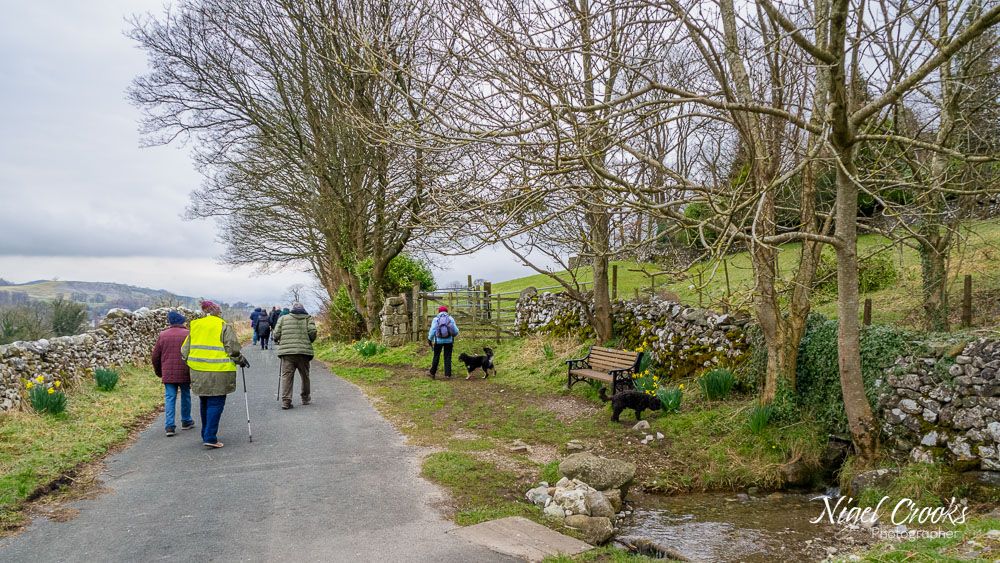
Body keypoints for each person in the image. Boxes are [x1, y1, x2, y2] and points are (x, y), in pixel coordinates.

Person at [182, 300, 249, 448]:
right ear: (218, 312)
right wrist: (241, 360)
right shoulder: (223, 326)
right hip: (219, 370)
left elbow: (184, 350)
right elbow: (232, 349)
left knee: (204, 401)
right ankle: (210, 437)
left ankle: (206, 434)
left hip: (198, 370)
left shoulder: (195, 325)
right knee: (216, 402)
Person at [151, 311, 194, 437]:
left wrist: (159, 371)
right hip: (185, 370)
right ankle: (186, 421)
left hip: (168, 372)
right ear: (181, 321)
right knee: (186, 395)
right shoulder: (188, 334)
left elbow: (155, 356)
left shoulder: (163, 335)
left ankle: (169, 426)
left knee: (170, 397)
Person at [273, 302, 317, 410]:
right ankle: (305, 398)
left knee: (287, 376)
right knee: (305, 376)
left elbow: (276, 334)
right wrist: (309, 341)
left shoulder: (283, 318)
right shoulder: (308, 318)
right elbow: (313, 332)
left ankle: (286, 401)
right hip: (303, 353)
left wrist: (277, 340)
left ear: (292, 309)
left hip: (287, 353)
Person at [427, 305, 459, 379]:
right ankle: (447, 375)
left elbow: (432, 331)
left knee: (436, 356)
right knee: (447, 357)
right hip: (449, 341)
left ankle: (432, 373)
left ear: (439, 312)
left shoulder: (436, 319)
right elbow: (456, 331)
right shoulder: (450, 319)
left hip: (438, 341)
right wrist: (453, 335)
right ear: (446, 312)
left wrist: (429, 339)